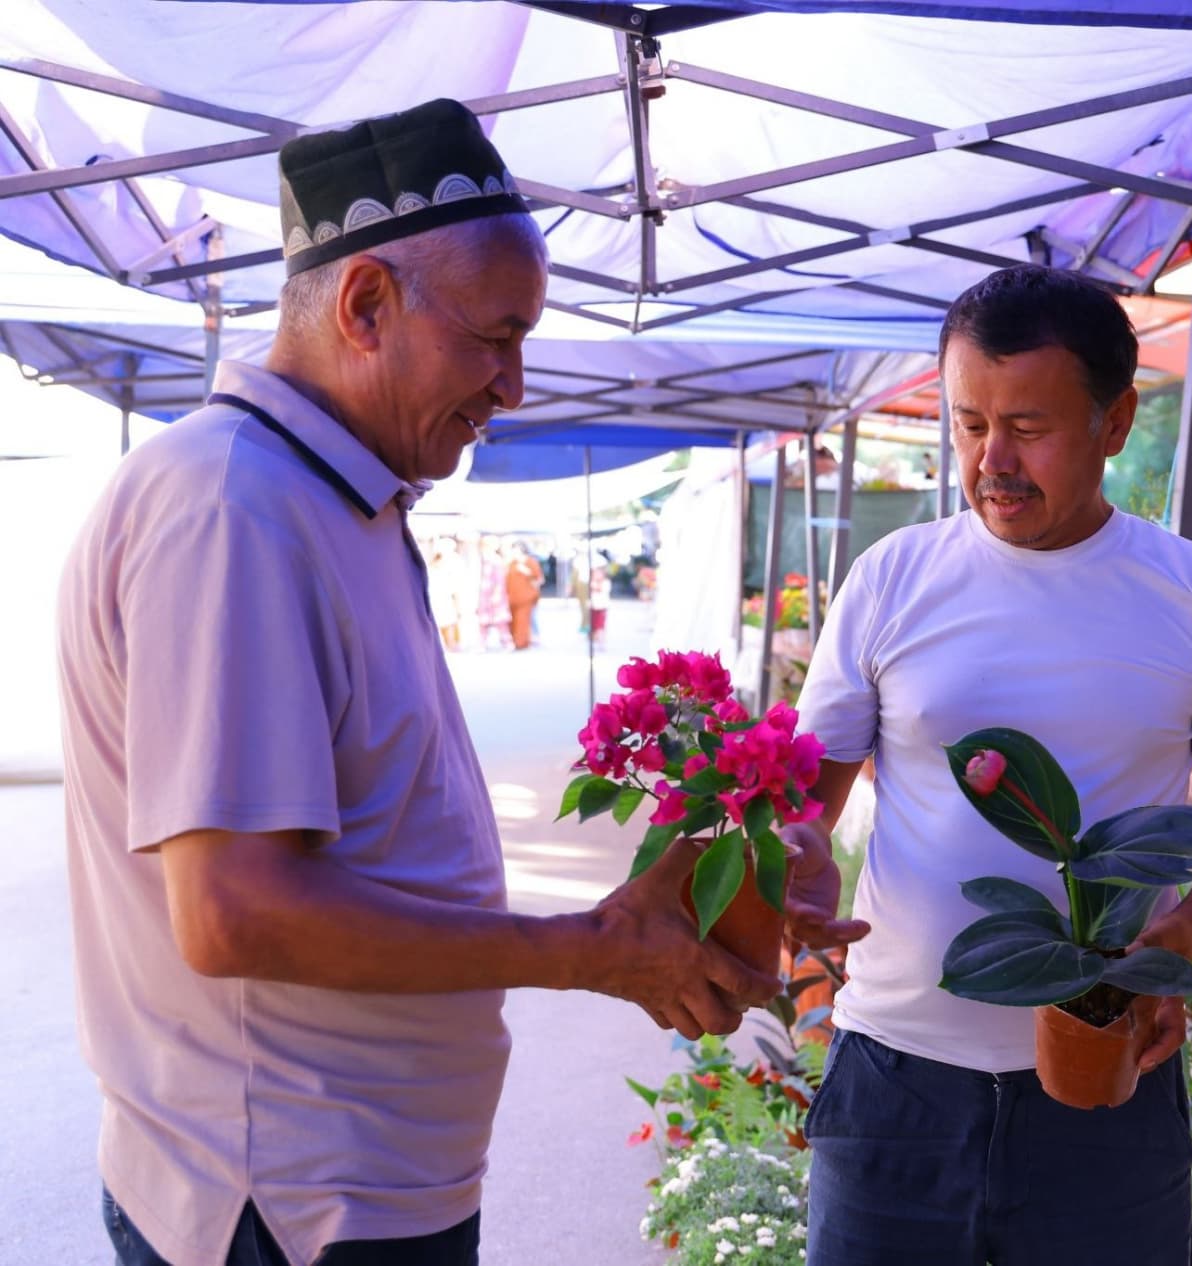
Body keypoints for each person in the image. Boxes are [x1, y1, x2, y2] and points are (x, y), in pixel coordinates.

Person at [56, 98, 822, 1266]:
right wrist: (587, 948)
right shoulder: (234, 508)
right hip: (290, 1203)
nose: (512, 388)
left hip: (355, 1186)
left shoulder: (327, 494)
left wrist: (679, 895)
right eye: (495, 337)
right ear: (366, 303)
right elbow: (234, 911)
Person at [785, 264, 1192, 1266]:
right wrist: (796, 852)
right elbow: (811, 792)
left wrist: (1176, 936)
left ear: (1114, 425)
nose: (992, 460)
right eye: (968, 422)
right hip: (896, 1080)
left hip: (1104, 1087)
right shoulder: (892, 578)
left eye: (1028, 427)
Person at [504, 541, 542, 650]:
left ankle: (522, 642)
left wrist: (527, 572)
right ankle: (516, 640)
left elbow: (538, 579)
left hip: (526, 597)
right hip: (512, 597)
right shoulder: (512, 563)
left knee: (523, 620)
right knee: (514, 621)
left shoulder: (530, 562)